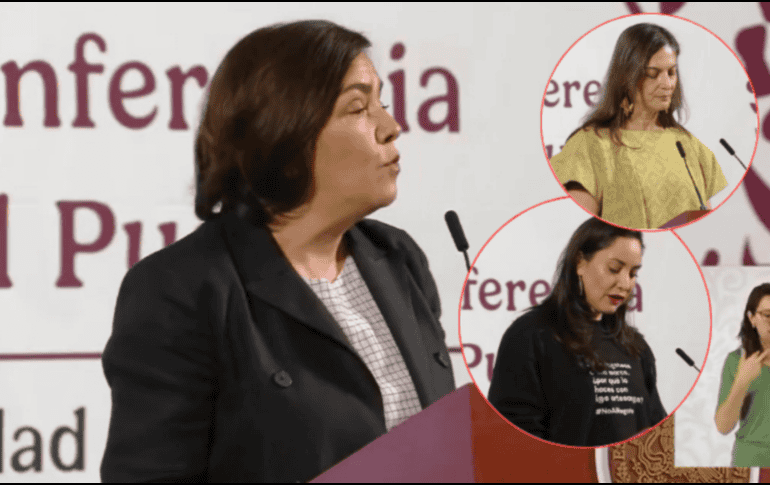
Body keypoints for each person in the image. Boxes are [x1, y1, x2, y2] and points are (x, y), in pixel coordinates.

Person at [100, 20, 456, 483]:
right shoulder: (182, 288)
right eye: (358, 108)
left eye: (382, 104)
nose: (391, 128)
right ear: (286, 134)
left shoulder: (399, 256)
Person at [487, 217, 667, 447]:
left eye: (633, 273)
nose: (625, 283)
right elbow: (512, 437)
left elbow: (656, 432)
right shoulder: (531, 335)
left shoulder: (635, 347)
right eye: (614, 269)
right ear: (580, 263)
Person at [548, 23, 727, 229]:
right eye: (653, 73)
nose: (667, 84)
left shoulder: (688, 145)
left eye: (671, 72)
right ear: (627, 76)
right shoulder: (590, 145)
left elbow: (705, 228)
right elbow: (578, 229)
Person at [715, 283, 770, 467]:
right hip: (750, 462)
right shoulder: (736, 361)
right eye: (768, 315)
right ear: (751, 318)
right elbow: (723, 426)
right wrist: (742, 381)